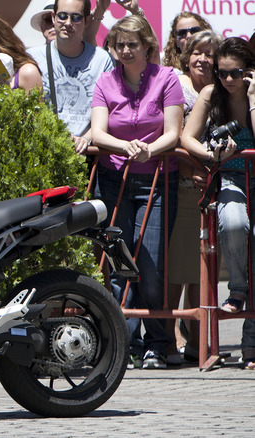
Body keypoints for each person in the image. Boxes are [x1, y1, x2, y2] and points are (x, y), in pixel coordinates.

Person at [90, 14, 184, 369]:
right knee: (118, 261)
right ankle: (123, 342)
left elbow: (173, 133)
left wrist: (149, 148)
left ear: (148, 46)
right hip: (114, 179)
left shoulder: (167, 78)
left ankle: (159, 344)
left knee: (151, 262)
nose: (126, 50)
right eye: (119, 45)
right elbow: (98, 133)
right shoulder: (105, 81)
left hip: (158, 178)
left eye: (133, 44)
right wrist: (124, 145)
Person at [180, 37, 255, 370]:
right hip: (232, 179)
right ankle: (237, 290)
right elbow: (186, 137)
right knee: (235, 222)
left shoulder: (253, 94)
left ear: (248, 71)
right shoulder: (211, 95)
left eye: (236, 73)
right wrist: (211, 154)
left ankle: (251, 345)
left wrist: (252, 99)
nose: (228, 80)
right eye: (221, 72)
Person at [168, 30, 222, 364]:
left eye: (210, 53)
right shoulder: (177, 83)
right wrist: (188, 165)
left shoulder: (223, 91)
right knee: (178, 265)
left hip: (214, 188)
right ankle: (171, 336)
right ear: (186, 55)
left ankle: (197, 342)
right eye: (196, 52)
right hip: (182, 187)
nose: (203, 59)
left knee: (205, 268)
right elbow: (169, 133)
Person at [27, 0, 115, 154]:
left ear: (87, 21)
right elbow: (28, 112)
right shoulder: (32, 58)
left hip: (89, 156)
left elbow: (110, 111)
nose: (68, 23)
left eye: (76, 17)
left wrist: (87, 139)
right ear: (53, 18)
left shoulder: (102, 60)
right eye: (62, 16)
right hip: (46, 152)